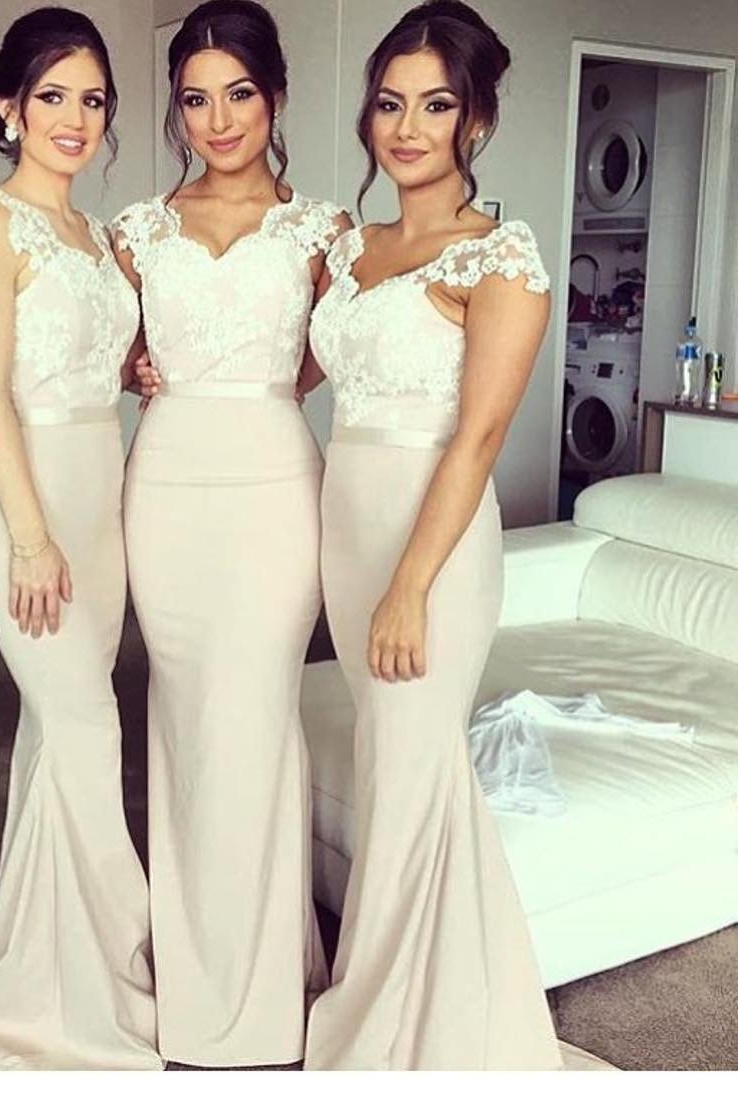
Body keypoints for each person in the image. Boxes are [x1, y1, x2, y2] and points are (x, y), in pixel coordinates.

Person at [302, 0, 578, 1069]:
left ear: (478, 120)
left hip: (436, 546)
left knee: (412, 763)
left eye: (435, 105)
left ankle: (397, 1034)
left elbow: (480, 437)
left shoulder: (499, 258)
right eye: (389, 103)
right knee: (395, 762)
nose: (407, 128)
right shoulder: (351, 247)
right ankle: (444, 995)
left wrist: (411, 586)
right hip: (347, 528)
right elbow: (303, 369)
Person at [0, 8, 160, 1070]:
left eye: (92, 99)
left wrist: (132, 372)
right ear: (9, 106)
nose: (74, 117)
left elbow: (83, 364)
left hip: (101, 507)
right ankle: (123, 965)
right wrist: (26, 536)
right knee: (91, 731)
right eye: (53, 95)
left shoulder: (96, 238)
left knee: (59, 733)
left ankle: (50, 949)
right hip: (32, 515)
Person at [111, 0, 350, 1068]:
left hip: (273, 488)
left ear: (276, 98)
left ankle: (264, 983)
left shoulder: (323, 230)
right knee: (182, 720)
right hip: (165, 485)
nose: (217, 120)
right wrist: (134, 368)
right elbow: (104, 344)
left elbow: (339, 348)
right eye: (196, 99)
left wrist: (267, 385)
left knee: (256, 717)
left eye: (238, 94)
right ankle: (197, 966)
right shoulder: (138, 230)